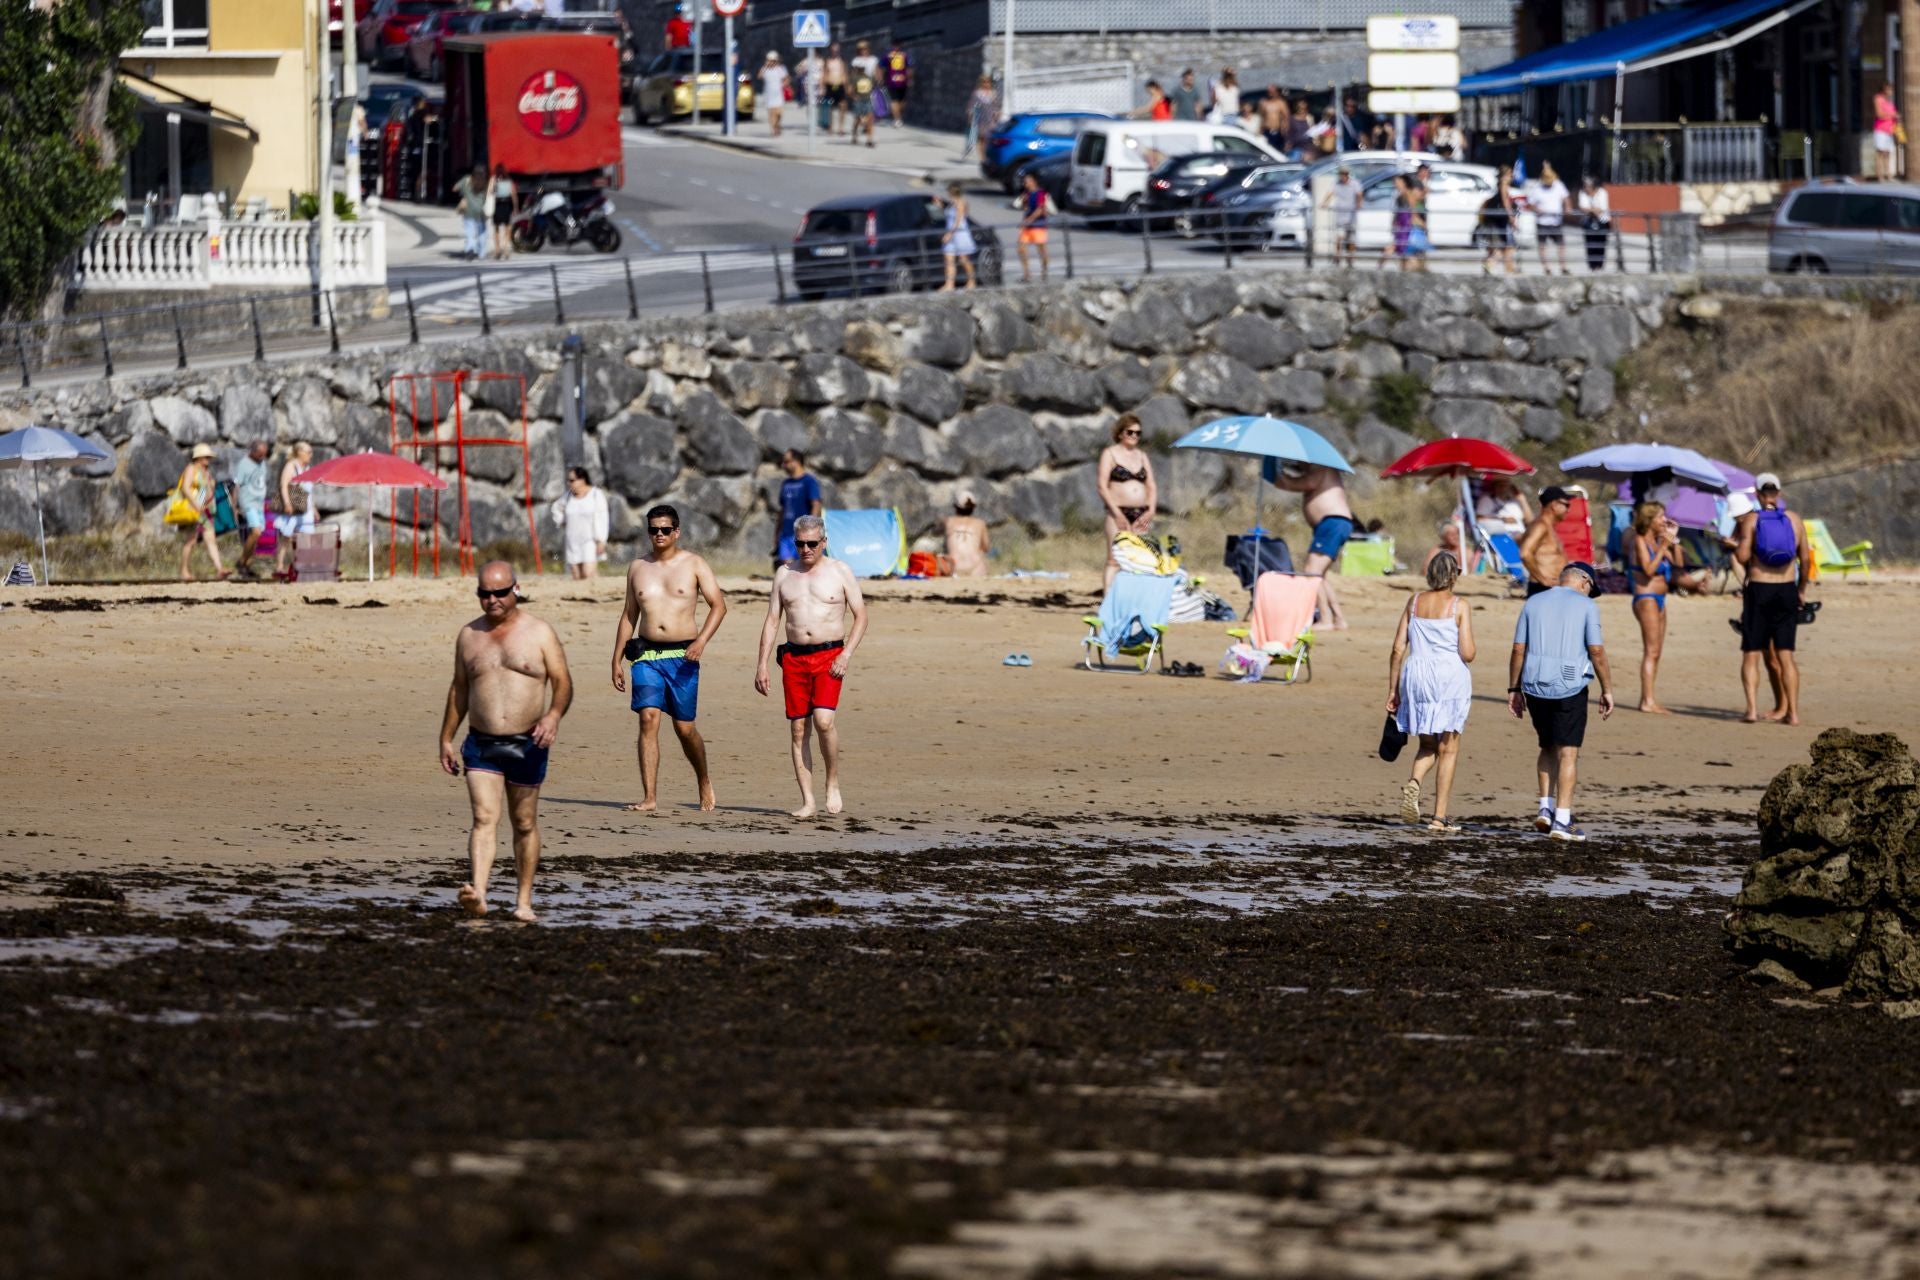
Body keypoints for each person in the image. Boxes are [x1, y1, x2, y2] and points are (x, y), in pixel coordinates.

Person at [438, 561, 573, 922]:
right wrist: (446, 738)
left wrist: (553, 716)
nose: (492, 600)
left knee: (524, 822)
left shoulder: (539, 632)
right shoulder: (469, 635)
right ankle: (479, 893)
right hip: (481, 743)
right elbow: (459, 689)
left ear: (516, 589)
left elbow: (562, 682)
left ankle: (523, 901)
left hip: (528, 742)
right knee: (484, 817)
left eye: (499, 592)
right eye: (484, 594)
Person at [611, 504, 727, 814]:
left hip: (683, 656)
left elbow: (719, 606)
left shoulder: (694, 564)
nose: (659, 535)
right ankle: (649, 797)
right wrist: (616, 659)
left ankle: (703, 779)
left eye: (665, 529)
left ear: (676, 532)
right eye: (653, 530)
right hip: (646, 655)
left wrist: (701, 641)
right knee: (648, 718)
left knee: (684, 729)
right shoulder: (637, 567)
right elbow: (629, 615)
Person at [754, 515, 869, 818]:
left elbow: (861, 616)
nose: (806, 549)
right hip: (794, 658)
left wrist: (846, 655)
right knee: (798, 729)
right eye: (800, 544)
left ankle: (832, 781)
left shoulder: (840, 571)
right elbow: (772, 620)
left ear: (824, 542)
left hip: (829, 656)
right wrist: (762, 664)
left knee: (824, 721)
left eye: (812, 544)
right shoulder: (784, 574)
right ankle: (807, 801)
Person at [1508, 562, 1613, 842]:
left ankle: (1546, 807)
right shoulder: (1587, 605)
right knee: (1568, 752)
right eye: (1591, 589)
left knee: (1547, 746)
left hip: (1534, 684)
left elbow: (1518, 649)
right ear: (1584, 581)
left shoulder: (1533, 601)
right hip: (1570, 686)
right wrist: (1607, 689)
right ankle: (1562, 820)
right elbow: (1597, 650)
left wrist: (1514, 688)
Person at [1387, 551, 1476, 832]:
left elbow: (1398, 648)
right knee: (1448, 749)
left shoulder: (1414, 602)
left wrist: (1393, 690)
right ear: (1453, 576)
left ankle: (1414, 782)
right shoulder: (1459, 605)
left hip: (1416, 675)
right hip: (1448, 677)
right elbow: (1468, 653)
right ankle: (1439, 817)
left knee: (1427, 744)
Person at [1734, 472, 1813, 726]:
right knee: (1786, 655)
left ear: (1758, 495)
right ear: (1778, 494)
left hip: (1759, 589)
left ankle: (1751, 710)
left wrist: (1737, 543)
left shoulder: (1752, 519)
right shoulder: (1795, 520)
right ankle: (1793, 714)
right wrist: (1801, 590)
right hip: (1786, 589)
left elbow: (1742, 556)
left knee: (1751, 653)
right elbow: (1806, 560)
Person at [1265, 461, 1353, 630]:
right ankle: (1338, 619)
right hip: (1330, 524)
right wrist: (1281, 478)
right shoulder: (1315, 469)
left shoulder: (1321, 466)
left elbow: (1307, 483)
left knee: (1311, 572)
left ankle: (1326, 619)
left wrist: (1285, 479)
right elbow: (1293, 484)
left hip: (1332, 522)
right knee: (1319, 575)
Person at [1628, 500, 1684, 715]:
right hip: (1646, 598)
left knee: (1657, 651)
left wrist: (1673, 541)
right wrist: (1662, 547)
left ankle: (1649, 698)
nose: (1664, 520)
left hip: (1661, 599)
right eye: (1660, 516)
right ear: (1649, 519)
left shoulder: (1657, 540)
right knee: (1650, 650)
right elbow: (1649, 569)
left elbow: (1679, 564)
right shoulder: (1639, 540)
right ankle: (1647, 701)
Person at [1097, 413, 1156, 588]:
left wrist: (1151, 510)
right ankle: (1109, 599)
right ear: (1120, 433)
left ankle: (1133, 597)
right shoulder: (1110, 454)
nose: (1134, 436)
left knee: (1140, 559)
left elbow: (1151, 485)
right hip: (1118, 512)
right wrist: (1117, 513)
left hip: (1141, 513)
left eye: (1138, 433)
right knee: (1114, 560)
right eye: (1130, 432)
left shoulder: (1142, 456)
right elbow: (1102, 486)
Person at [174, 444, 225, 581]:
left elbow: (204, 491)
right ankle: (184, 570)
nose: (208, 459)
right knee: (191, 541)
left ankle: (219, 569)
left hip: (205, 511)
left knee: (211, 540)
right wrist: (197, 505)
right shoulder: (191, 469)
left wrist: (206, 501)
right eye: (206, 457)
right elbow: (185, 488)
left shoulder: (205, 472)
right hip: (194, 510)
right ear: (199, 457)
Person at [549, 466, 609, 580]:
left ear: (582, 480)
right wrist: (562, 521)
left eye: (572, 480)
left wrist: (601, 540)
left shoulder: (596, 494)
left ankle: (599, 590)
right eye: (568, 480)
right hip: (572, 541)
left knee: (588, 573)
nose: (569, 483)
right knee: (576, 575)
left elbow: (603, 518)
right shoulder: (568, 496)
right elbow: (555, 508)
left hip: (590, 541)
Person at [774, 448, 823, 570]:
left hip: (802, 534)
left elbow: (816, 505)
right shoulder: (785, 484)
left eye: (786, 461)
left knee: (805, 569)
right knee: (787, 568)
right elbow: (782, 510)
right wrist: (777, 533)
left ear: (796, 461)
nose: (783, 465)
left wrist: (811, 528)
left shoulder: (809, 481)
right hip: (786, 534)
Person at [1519, 485, 1572, 597]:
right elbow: (1525, 553)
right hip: (1542, 589)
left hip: (1552, 588)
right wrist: (1543, 580)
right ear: (1554, 504)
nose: (1568, 510)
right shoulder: (1540, 526)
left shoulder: (1548, 526)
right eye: (1566, 505)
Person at [274, 441, 316, 578]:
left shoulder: (307, 468)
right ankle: (279, 566)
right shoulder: (291, 466)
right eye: (309, 452)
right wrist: (287, 503)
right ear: (299, 452)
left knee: (306, 538)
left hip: (306, 508)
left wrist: (314, 508)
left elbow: (308, 492)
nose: (311, 454)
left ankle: (300, 565)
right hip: (293, 507)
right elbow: (284, 485)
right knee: (286, 537)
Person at [231, 439, 271, 579]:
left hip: (259, 504)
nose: (262, 457)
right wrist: (234, 507)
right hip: (248, 503)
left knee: (256, 536)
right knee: (255, 532)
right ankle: (242, 561)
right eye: (260, 454)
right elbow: (236, 486)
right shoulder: (243, 464)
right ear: (252, 452)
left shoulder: (262, 462)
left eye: (264, 454)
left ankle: (247, 565)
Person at [1318, 163, 1361, 268]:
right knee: (1339, 237)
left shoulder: (1354, 184)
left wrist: (1358, 204)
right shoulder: (1336, 184)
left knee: (1351, 239)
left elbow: (1359, 194)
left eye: (1344, 174)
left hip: (1351, 215)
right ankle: (1337, 258)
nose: (1342, 176)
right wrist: (1324, 203)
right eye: (1341, 174)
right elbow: (1330, 193)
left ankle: (1350, 260)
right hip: (1340, 215)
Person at [1532, 161, 1571, 275]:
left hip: (1556, 221)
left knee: (1561, 244)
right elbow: (1530, 204)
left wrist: (1567, 207)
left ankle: (1563, 266)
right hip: (1542, 221)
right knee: (1542, 245)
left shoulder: (1558, 185)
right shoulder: (1537, 188)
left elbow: (1566, 197)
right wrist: (1537, 210)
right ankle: (1546, 267)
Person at [1478, 163, 1518, 275]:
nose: (1512, 177)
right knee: (1506, 246)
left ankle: (1496, 265)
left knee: (1500, 247)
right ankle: (1494, 265)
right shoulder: (1504, 184)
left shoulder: (1500, 185)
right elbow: (1505, 201)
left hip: (1494, 220)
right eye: (1510, 174)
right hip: (1499, 220)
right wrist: (1511, 217)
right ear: (1505, 175)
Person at [939, 182, 977, 291]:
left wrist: (949, 234)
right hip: (951, 233)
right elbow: (949, 217)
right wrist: (940, 205)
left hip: (959, 234)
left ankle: (972, 281)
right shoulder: (952, 203)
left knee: (963, 258)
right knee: (948, 258)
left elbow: (958, 221)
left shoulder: (960, 203)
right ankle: (949, 284)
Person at [944, 489, 990, 578]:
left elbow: (935, 532)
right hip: (976, 568)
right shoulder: (980, 524)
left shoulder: (947, 522)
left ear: (956, 507)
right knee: (980, 553)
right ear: (973, 508)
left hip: (954, 568)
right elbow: (986, 547)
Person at [1016, 169, 1051, 282]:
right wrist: (1023, 202)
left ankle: (1044, 270)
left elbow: (1040, 210)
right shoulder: (1026, 194)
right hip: (1027, 225)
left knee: (1041, 249)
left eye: (1028, 181)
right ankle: (1027, 274)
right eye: (1025, 181)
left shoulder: (1041, 193)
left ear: (1034, 181)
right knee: (1021, 248)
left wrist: (1028, 220)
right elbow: (1026, 208)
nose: (1025, 183)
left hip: (1038, 225)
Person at [453, 164, 487, 261]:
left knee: (469, 232)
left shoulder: (467, 180)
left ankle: (469, 250)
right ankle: (481, 253)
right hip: (481, 210)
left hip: (469, 211)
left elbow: (455, 188)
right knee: (482, 232)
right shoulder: (485, 182)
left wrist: (464, 190)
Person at [848, 40, 880, 147]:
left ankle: (869, 139)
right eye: (861, 49)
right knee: (858, 119)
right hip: (858, 90)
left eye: (865, 48)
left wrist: (878, 81)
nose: (863, 51)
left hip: (869, 90)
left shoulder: (873, 59)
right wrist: (852, 92)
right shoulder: (856, 60)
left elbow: (877, 72)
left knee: (870, 118)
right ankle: (854, 135)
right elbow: (852, 75)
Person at [1578, 173, 1611, 272]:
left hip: (1602, 221)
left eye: (1588, 186)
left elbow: (1603, 208)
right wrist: (1593, 210)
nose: (1586, 188)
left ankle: (1599, 266)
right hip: (1588, 222)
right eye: (1585, 186)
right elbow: (1582, 208)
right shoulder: (1582, 193)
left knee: (1601, 244)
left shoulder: (1602, 193)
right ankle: (1592, 266)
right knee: (1590, 244)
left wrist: (1590, 209)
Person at [1380, 173, 1412, 270]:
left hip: (1405, 224)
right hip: (1401, 225)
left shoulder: (1406, 193)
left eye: (1398, 181)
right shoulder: (1398, 194)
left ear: (1403, 182)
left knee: (1395, 248)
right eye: (1395, 182)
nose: (1396, 184)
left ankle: (1379, 268)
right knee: (1402, 250)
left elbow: (1412, 210)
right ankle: (1403, 270)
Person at [961, 75, 999, 156]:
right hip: (979, 119)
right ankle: (982, 158)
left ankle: (985, 156)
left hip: (990, 119)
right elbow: (971, 106)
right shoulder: (977, 93)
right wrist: (970, 117)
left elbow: (996, 106)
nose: (986, 84)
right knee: (980, 139)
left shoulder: (993, 94)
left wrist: (997, 114)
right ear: (981, 83)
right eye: (984, 82)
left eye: (988, 82)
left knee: (988, 139)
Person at [487, 163, 516, 260]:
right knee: (507, 228)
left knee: (496, 229)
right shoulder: (509, 181)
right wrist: (515, 207)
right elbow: (513, 195)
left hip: (498, 205)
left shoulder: (494, 180)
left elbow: (490, 192)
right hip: (507, 205)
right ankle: (506, 247)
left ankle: (497, 250)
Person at [1874, 82, 1902, 181]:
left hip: (1890, 130)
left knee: (1888, 153)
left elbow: (1893, 113)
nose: (1891, 92)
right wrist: (1892, 115)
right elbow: (1879, 114)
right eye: (1889, 89)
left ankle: (1888, 174)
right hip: (1880, 129)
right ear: (1884, 89)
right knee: (1880, 152)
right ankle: (1880, 175)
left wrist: (1896, 117)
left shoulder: (1889, 102)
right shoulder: (1878, 99)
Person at [822, 43, 849, 136]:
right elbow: (824, 74)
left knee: (843, 106)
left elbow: (845, 73)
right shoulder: (827, 61)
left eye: (836, 50)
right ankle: (830, 126)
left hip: (840, 85)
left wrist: (847, 87)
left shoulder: (842, 61)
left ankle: (841, 127)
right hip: (830, 85)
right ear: (830, 51)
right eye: (833, 50)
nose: (835, 52)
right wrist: (822, 86)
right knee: (830, 107)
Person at [883, 42, 912, 127]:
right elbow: (881, 67)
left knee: (902, 102)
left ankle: (898, 117)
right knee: (894, 101)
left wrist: (910, 79)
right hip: (892, 82)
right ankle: (897, 119)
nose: (896, 47)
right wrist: (881, 79)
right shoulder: (888, 56)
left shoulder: (904, 56)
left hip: (902, 81)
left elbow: (909, 68)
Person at [761, 52, 789, 138]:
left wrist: (784, 84)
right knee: (771, 114)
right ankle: (773, 130)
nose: (771, 62)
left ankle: (777, 125)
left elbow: (786, 78)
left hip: (778, 95)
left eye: (773, 61)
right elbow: (760, 76)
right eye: (769, 60)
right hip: (769, 95)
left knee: (779, 113)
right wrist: (765, 66)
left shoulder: (780, 69)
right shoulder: (765, 69)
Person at [1258, 85, 1289, 151]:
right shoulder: (1263, 102)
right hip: (1266, 130)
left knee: (1278, 150)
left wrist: (1284, 128)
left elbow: (1286, 117)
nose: (1271, 93)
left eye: (1273, 92)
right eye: (1269, 92)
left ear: (1276, 92)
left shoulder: (1281, 103)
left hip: (1278, 131)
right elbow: (1260, 117)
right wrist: (1260, 129)